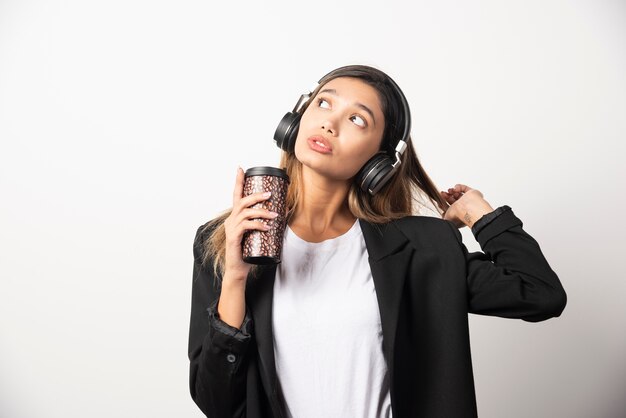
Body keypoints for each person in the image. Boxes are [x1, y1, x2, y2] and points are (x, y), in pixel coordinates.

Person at [187, 65, 567, 418]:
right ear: (297, 120)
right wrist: (235, 277)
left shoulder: (422, 248)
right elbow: (217, 402)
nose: (330, 123)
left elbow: (540, 294)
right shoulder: (227, 241)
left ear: (379, 161)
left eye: (357, 119)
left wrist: (482, 216)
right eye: (323, 103)